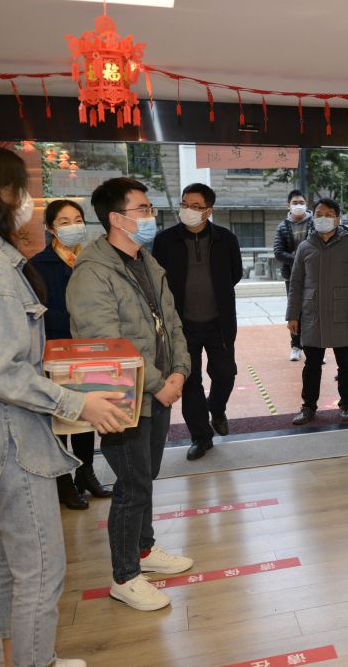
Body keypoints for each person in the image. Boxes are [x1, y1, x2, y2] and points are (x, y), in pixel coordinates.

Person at [0, 145, 129, 667]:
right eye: (18, 189)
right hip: (13, 442)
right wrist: (77, 402)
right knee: (41, 570)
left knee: (13, 565)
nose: (26, 200)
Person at [66, 177, 194, 612]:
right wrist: (160, 383)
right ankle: (125, 576)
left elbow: (172, 323)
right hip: (123, 398)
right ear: (117, 219)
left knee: (145, 476)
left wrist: (180, 372)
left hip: (158, 392)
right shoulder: (93, 272)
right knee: (131, 485)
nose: (150, 216)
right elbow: (106, 345)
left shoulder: (147, 261)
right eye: (142, 209)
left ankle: (144, 548)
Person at [30, 199, 112, 510]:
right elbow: (37, 311)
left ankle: (86, 474)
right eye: (64, 222)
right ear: (50, 228)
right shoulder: (38, 265)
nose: (73, 226)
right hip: (56, 349)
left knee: (87, 415)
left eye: (77, 220)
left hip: (89, 349)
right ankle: (63, 480)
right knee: (61, 416)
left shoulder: (92, 259)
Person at [152, 183, 243, 460]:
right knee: (190, 382)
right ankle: (201, 437)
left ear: (208, 211)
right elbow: (158, 280)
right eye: (184, 204)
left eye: (195, 206)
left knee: (225, 374)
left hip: (219, 323)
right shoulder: (165, 240)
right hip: (181, 326)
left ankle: (217, 408)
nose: (187, 210)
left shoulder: (226, 239)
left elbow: (235, 274)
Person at [286, 198, 348, 425]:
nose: (323, 218)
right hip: (312, 314)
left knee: (347, 365)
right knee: (311, 365)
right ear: (313, 218)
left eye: (329, 214)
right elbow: (296, 283)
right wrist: (292, 315)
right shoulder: (305, 247)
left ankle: (346, 405)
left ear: (338, 219)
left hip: (343, 315)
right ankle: (308, 406)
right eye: (319, 214)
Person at [273, 189, 314, 361]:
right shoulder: (282, 227)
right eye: (295, 203)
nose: (298, 206)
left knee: (313, 310)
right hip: (292, 276)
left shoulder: (315, 223)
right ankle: (296, 346)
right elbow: (278, 252)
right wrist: (299, 259)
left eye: (301, 202)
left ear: (306, 204)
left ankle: (313, 346)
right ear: (288, 205)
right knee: (294, 311)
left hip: (314, 275)